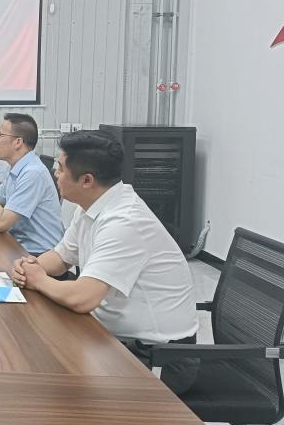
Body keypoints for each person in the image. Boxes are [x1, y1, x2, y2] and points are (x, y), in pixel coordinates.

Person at [10, 130, 198, 394]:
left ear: (87, 180)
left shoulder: (124, 221)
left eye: (60, 168)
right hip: (111, 337)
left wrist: (38, 280)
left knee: (49, 385)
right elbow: (62, 257)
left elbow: (83, 298)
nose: (55, 173)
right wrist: (32, 267)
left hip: (157, 356)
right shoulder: (92, 205)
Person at [0, 113, 64, 255]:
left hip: (39, 255)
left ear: (18, 142)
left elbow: (0, 223)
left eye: (0, 135)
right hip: (17, 246)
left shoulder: (32, 173)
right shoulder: (16, 169)